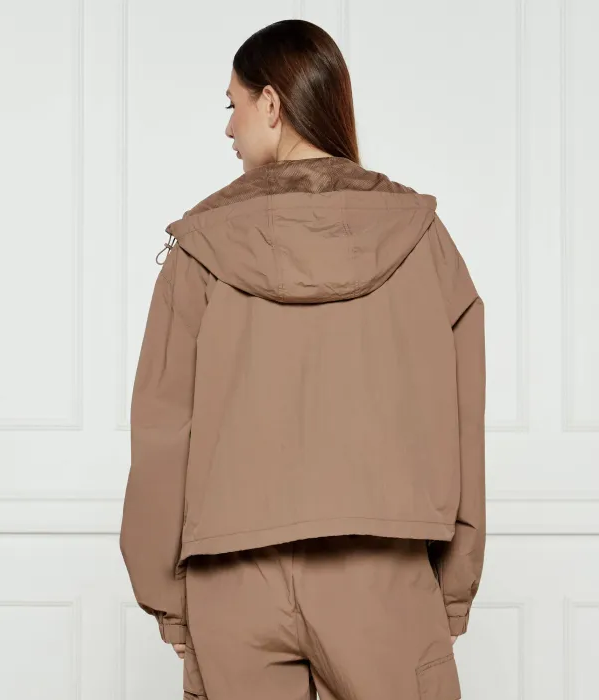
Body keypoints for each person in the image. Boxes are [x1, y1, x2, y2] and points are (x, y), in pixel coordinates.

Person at [119, 17, 485, 700]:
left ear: (271, 103)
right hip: (380, 573)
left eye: (232, 104)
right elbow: (461, 419)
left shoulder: (200, 247)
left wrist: (166, 595)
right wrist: (454, 585)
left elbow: (164, 430)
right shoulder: (421, 238)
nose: (228, 128)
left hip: (232, 579)